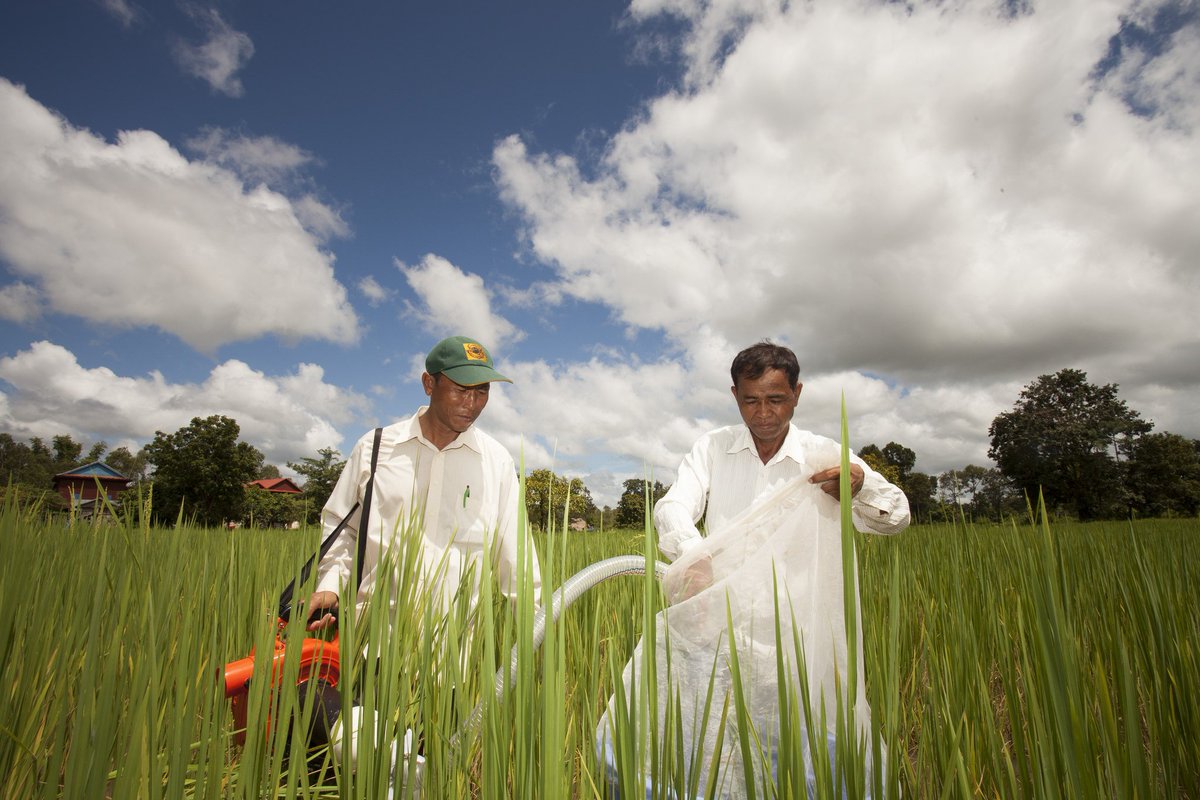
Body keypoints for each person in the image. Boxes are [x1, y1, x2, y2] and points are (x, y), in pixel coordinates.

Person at [599, 341, 909, 798]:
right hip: (721, 634)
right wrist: (694, 557)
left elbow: (896, 516)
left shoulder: (825, 456)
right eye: (751, 400)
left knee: (809, 755)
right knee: (716, 746)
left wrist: (858, 490)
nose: (763, 412)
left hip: (799, 640)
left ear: (797, 394)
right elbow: (672, 508)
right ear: (734, 394)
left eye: (776, 399)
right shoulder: (713, 448)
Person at [305, 335, 541, 629]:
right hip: (372, 640)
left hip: (458, 655)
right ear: (429, 384)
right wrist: (331, 584)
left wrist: (534, 638)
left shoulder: (497, 462)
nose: (472, 403)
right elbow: (342, 529)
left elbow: (517, 561)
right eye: (460, 390)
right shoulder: (375, 450)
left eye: (481, 392)